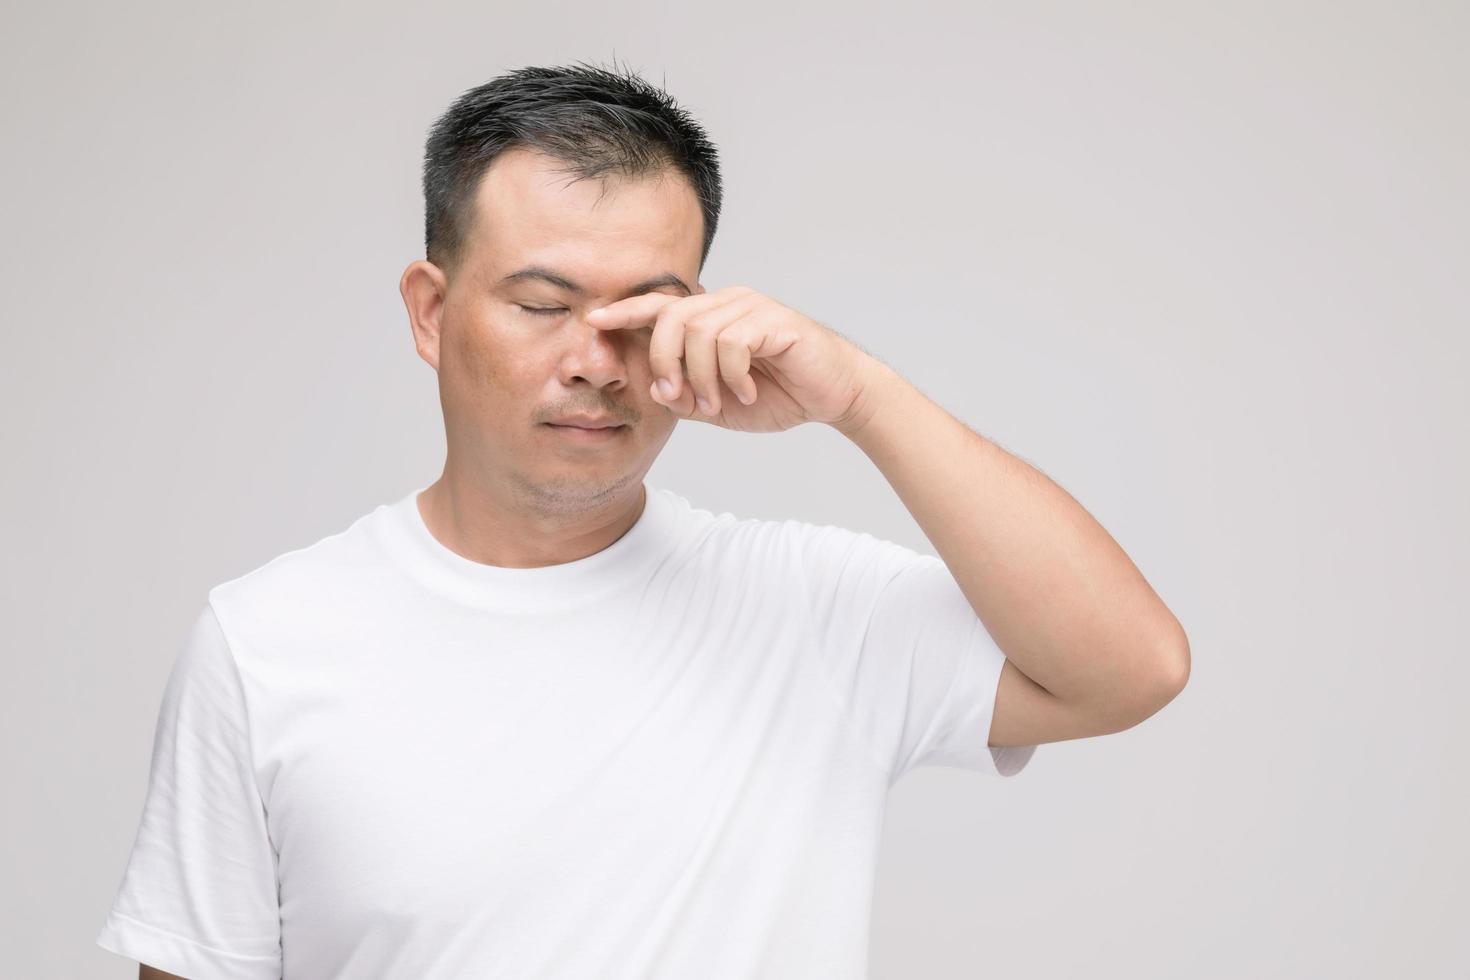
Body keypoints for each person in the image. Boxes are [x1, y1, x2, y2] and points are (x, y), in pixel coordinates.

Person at [97, 59, 1189, 980]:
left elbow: (1130, 666)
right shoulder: (266, 642)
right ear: (432, 313)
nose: (594, 361)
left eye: (645, 316)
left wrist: (857, 393)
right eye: (540, 306)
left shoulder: (810, 605)